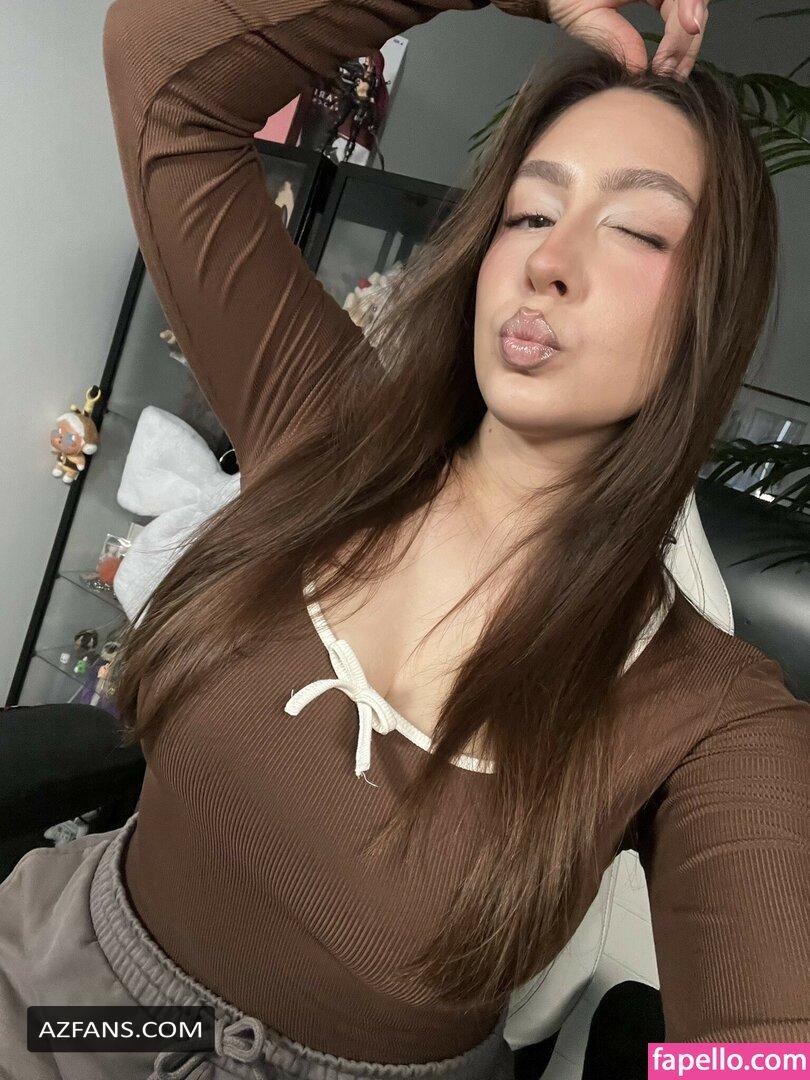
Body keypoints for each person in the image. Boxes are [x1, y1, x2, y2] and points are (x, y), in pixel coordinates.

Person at [1, 0, 808, 1078]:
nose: (550, 260)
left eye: (637, 230)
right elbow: (162, 73)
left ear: (711, 308)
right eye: (529, 212)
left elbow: (766, 1057)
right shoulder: (331, 431)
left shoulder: (711, 716)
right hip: (83, 1011)